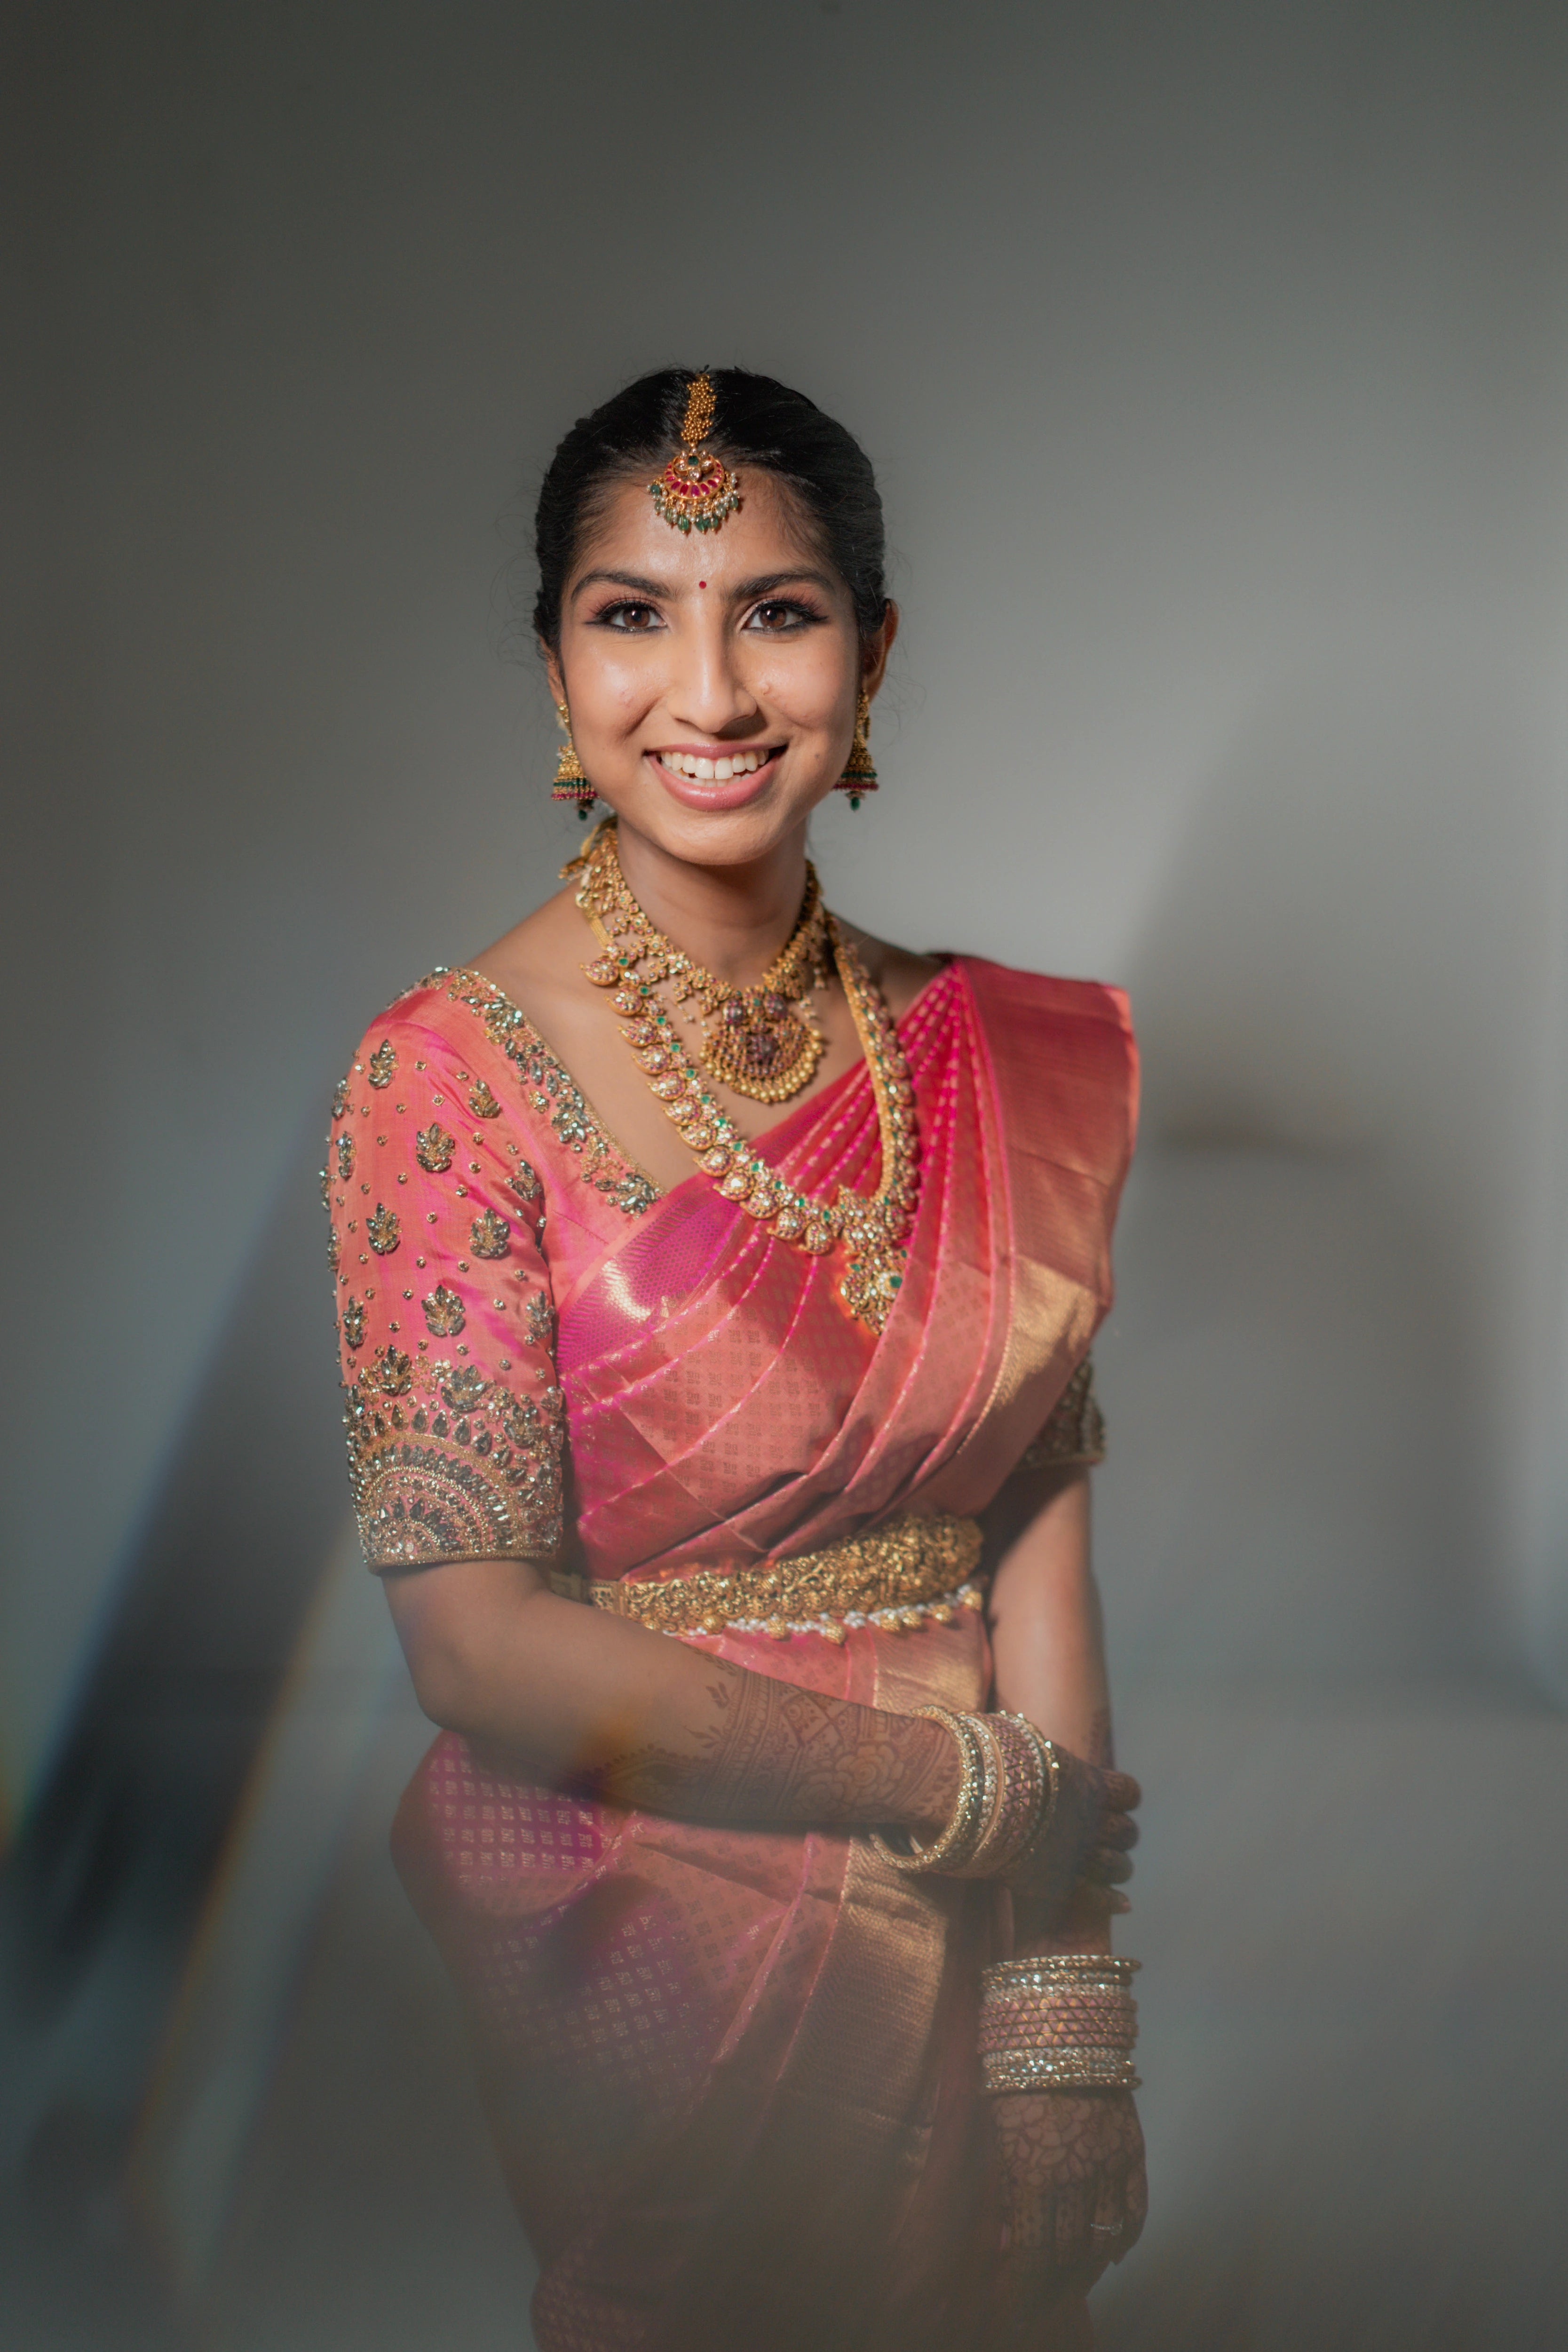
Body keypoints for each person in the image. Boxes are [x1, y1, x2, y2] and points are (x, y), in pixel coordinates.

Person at [325, 367, 1144, 2352]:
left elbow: (1036, 1525)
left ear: (876, 653)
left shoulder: (991, 1058)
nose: (710, 690)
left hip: (983, 1907)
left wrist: (1063, 2016)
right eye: (633, 614)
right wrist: (948, 1784)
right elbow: (474, 1647)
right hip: (657, 1926)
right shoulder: (441, 1080)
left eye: (777, 611)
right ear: (555, 665)